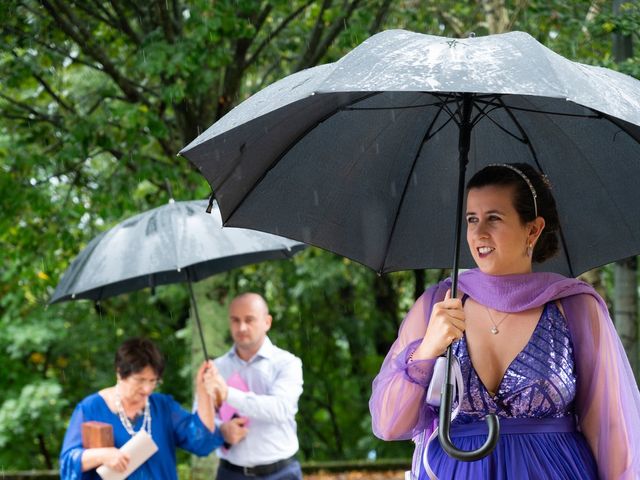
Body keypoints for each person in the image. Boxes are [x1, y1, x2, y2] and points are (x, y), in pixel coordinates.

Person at [369, 163, 640, 479]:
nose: (479, 232)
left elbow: (608, 427)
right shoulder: (438, 305)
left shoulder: (576, 307)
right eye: (472, 219)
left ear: (533, 229)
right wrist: (427, 350)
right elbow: (389, 425)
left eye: (494, 218)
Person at [59, 337, 223, 479]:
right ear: (119, 373)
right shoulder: (90, 408)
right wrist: (102, 455)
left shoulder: (163, 407)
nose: (147, 389)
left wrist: (203, 390)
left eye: (153, 381)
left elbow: (202, 440)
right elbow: (68, 462)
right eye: (140, 380)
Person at [207, 292, 304, 480]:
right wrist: (221, 429)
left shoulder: (287, 363)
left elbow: (280, 409)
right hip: (231, 473)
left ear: (267, 322)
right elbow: (202, 417)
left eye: (249, 320)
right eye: (235, 320)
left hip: (281, 473)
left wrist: (228, 393)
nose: (241, 327)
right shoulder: (216, 369)